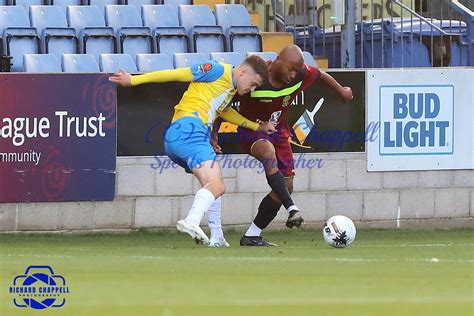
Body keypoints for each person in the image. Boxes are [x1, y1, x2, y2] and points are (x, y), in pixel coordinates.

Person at [109, 56, 276, 246]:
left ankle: (217, 236)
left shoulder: (229, 88)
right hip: (190, 129)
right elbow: (179, 73)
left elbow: (224, 112)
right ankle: (192, 221)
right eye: (253, 84)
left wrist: (257, 127)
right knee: (217, 185)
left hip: (182, 136)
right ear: (243, 71)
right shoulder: (217, 69)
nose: (251, 90)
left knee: (213, 184)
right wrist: (134, 80)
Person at [210, 45, 353, 246]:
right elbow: (224, 104)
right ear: (277, 61)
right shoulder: (256, 77)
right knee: (267, 153)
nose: (293, 74)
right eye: (290, 69)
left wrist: (342, 91)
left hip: (279, 131)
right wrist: (214, 133)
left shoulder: (300, 74)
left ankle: (252, 235)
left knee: (287, 185)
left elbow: (319, 75)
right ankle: (292, 209)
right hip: (251, 130)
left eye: (297, 70)